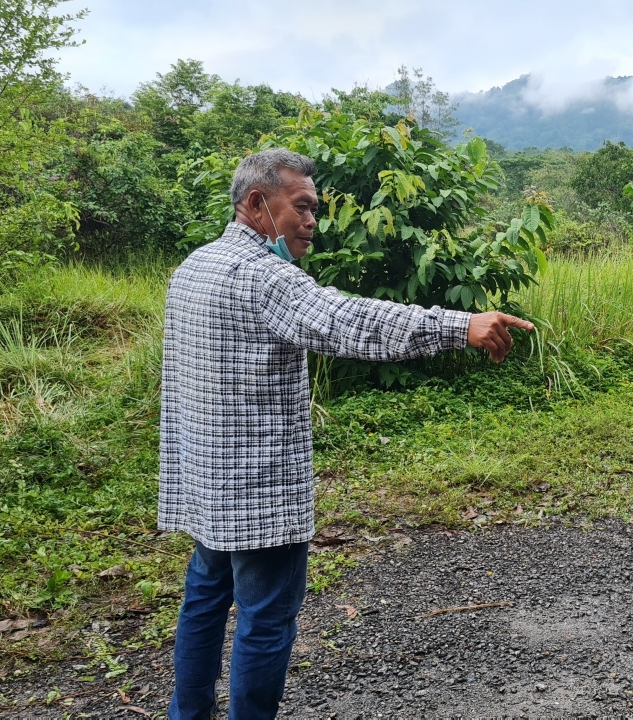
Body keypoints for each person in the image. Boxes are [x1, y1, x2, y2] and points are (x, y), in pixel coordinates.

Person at [160, 148, 534, 717]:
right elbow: (348, 321)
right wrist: (458, 324)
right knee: (264, 622)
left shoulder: (195, 266)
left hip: (207, 486)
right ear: (258, 204)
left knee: (204, 604)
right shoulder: (263, 276)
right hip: (259, 493)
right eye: (302, 207)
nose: (313, 222)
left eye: (315, 209)